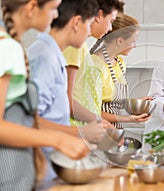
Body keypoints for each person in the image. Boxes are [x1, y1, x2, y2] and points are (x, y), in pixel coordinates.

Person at [0, 0, 90, 190]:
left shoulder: (11, 45)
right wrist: (59, 139)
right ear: (32, 7)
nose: (56, 15)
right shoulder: (8, 48)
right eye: (53, 8)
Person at [27, 0, 107, 183]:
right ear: (76, 22)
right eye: (88, 24)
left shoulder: (53, 54)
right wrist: (81, 132)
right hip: (37, 170)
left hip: (50, 167)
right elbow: (30, 121)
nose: (89, 31)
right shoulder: (44, 57)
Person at [63, 0, 124, 126]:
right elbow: (67, 100)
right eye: (111, 21)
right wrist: (99, 121)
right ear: (100, 15)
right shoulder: (75, 46)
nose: (110, 28)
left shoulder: (82, 46)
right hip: (73, 127)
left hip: (83, 127)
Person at [87, 12, 150, 129]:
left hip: (114, 128)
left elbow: (113, 101)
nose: (135, 46)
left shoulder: (119, 62)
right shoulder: (95, 66)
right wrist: (127, 119)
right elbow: (90, 110)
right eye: (133, 41)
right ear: (120, 41)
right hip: (97, 128)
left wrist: (135, 103)